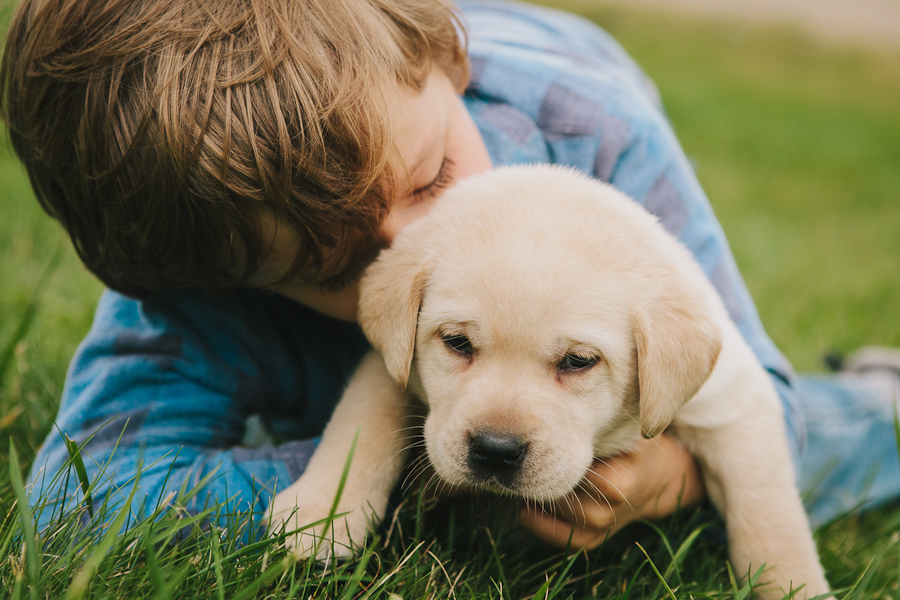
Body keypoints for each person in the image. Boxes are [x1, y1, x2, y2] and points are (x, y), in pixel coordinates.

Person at [2, 0, 897, 550]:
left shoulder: (591, 132)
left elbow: (758, 409)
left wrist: (674, 476)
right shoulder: (200, 244)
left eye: (432, 177)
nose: (427, 240)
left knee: (786, 437)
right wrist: (372, 476)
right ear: (215, 275)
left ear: (450, 68)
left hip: (558, 66)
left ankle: (885, 410)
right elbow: (80, 508)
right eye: (343, 262)